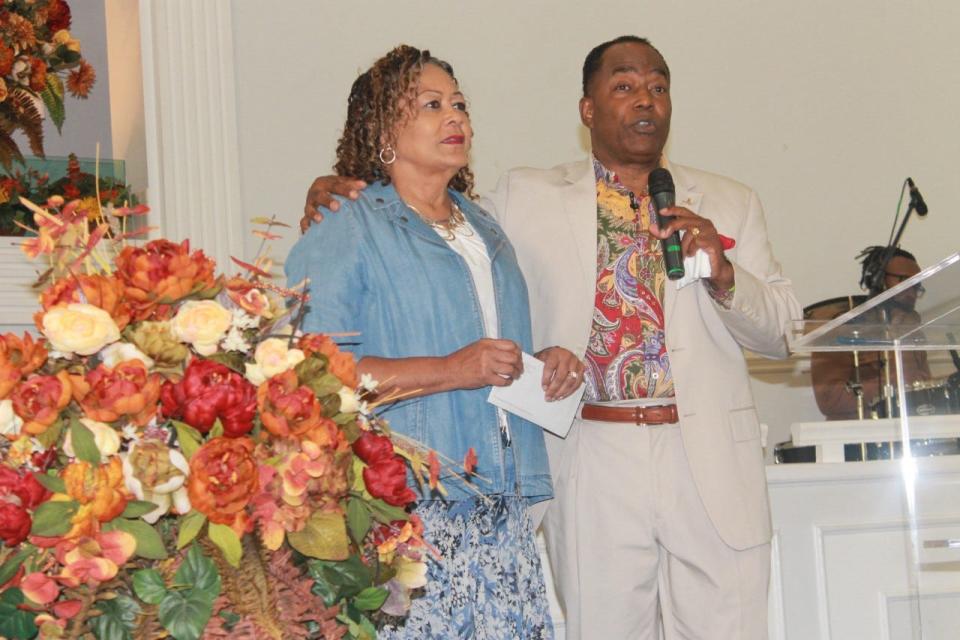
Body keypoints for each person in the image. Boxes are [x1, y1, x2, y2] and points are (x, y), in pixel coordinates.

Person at [303, 36, 801, 640]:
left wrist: (725, 274)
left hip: (709, 457)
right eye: (624, 85)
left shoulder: (731, 202)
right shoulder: (521, 197)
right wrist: (337, 186)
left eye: (659, 86)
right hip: (590, 450)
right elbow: (418, 216)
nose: (645, 98)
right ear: (587, 109)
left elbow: (785, 333)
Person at [286, 45, 583, 639]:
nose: (456, 119)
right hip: (407, 509)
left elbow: (490, 357)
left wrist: (543, 361)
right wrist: (451, 369)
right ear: (382, 129)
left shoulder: (485, 229)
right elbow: (310, 378)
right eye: (431, 104)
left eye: (460, 105)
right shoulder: (346, 226)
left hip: (502, 504)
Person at [811, 246, 930, 420]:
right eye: (904, 280)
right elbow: (830, 399)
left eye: (917, 285)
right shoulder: (844, 328)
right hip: (861, 437)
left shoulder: (913, 330)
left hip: (911, 433)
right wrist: (895, 383)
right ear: (876, 279)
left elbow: (924, 387)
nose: (911, 291)